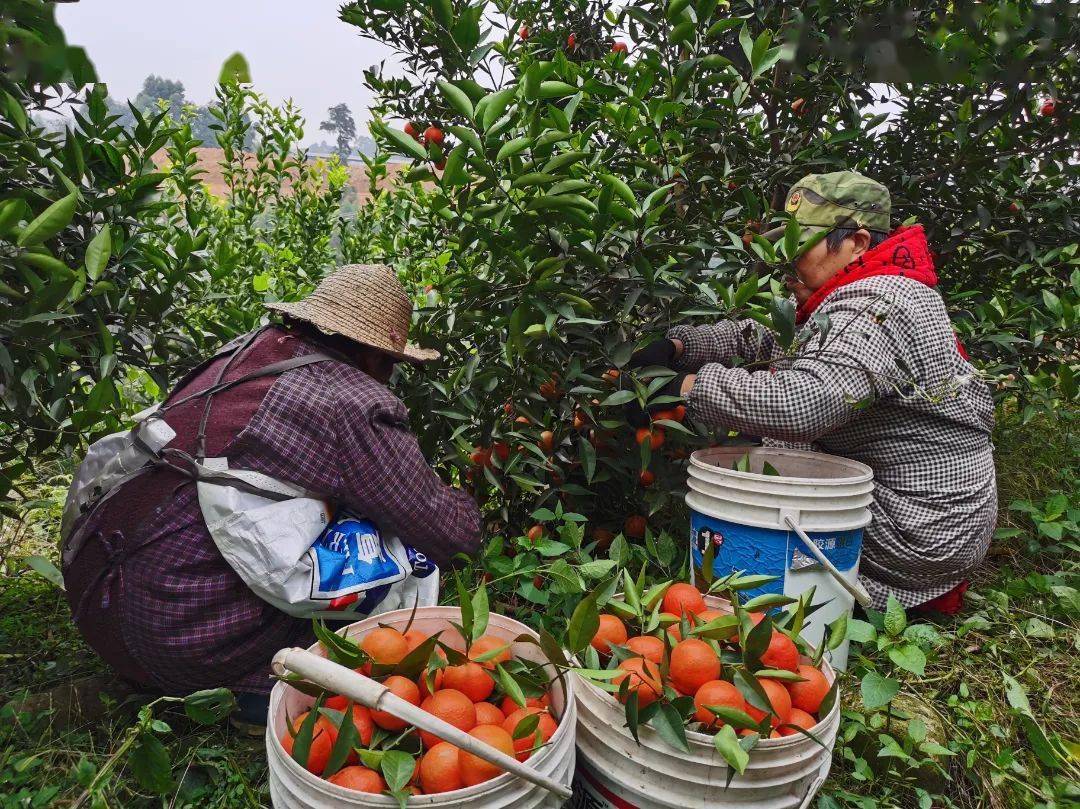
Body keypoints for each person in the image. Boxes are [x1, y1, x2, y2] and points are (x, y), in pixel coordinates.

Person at [61, 264, 482, 719]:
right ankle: (240, 696)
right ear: (376, 356)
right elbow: (447, 533)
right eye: (391, 366)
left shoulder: (246, 352)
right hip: (176, 635)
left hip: (100, 599)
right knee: (385, 584)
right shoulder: (353, 402)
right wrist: (466, 500)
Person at [632, 171, 996, 613]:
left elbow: (805, 403)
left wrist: (685, 388)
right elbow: (773, 340)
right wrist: (681, 344)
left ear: (857, 243)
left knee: (773, 439)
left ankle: (802, 592)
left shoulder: (880, 301)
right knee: (760, 428)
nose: (788, 259)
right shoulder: (855, 291)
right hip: (926, 519)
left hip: (919, 531)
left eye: (800, 244)